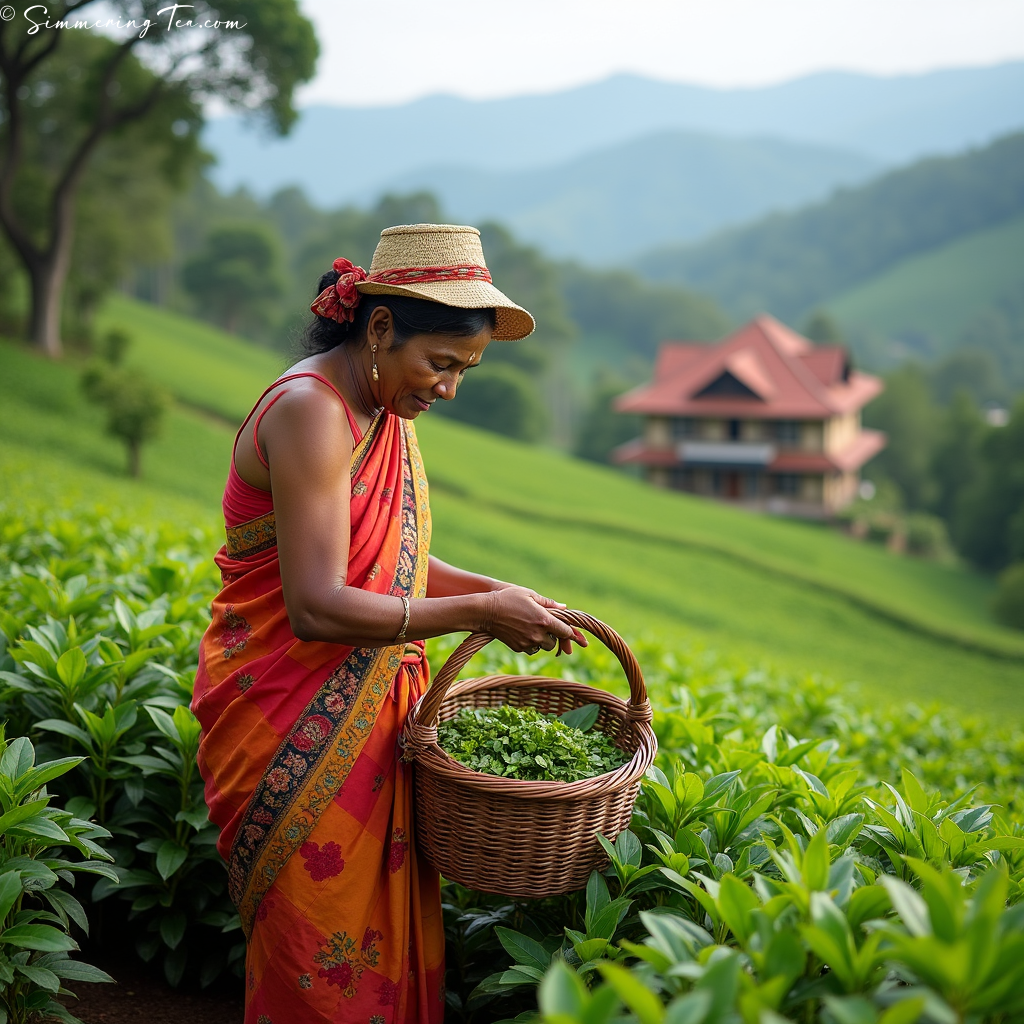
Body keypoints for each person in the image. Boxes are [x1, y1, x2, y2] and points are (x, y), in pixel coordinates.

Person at [192, 223, 586, 1024]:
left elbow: (390, 572)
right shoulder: (314, 413)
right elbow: (316, 603)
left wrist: (504, 589)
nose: (449, 389)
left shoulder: (385, 413)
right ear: (379, 328)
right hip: (285, 714)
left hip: (369, 711)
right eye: (440, 364)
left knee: (371, 946)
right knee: (318, 961)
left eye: (464, 371)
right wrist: (477, 611)